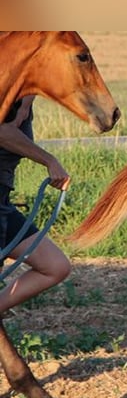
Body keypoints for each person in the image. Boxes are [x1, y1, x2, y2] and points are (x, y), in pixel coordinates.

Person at [0, 95, 72, 315]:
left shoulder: (23, 99)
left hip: (3, 202)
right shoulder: (6, 92)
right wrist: (49, 161)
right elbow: (2, 132)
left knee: (55, 266)